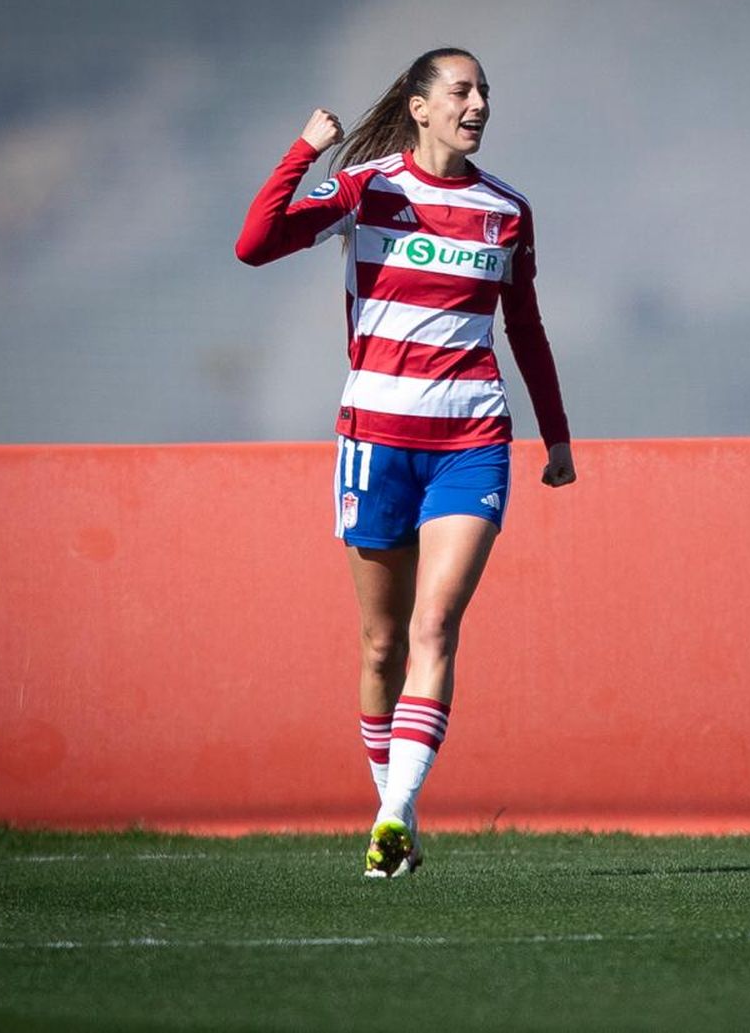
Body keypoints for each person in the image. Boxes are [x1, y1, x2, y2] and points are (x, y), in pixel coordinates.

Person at [235, 48, 575, 878]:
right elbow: (254, 244)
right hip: (377, 441)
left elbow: (524, 327)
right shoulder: (368, 190)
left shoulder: (507, 211)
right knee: (382, 643)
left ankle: (392, 817)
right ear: (420, 108)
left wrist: (557, 435)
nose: (479, 102)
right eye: (461, 90)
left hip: (472, 442)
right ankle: (398, 815)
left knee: (435, 626)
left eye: (485, 90)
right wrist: (302, 151)